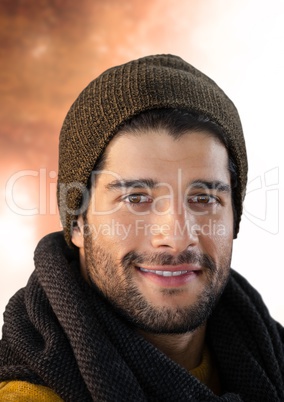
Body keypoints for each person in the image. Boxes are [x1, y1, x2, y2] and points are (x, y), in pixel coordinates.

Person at [0, 54, 283, 402]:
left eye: (204, 199)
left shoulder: (271, 357)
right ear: (77, 221)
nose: (177, 237)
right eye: (136, 199)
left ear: (234, 217)